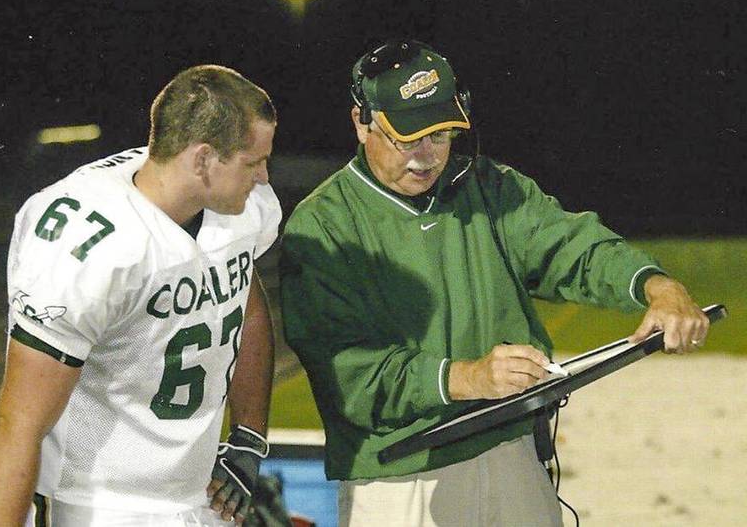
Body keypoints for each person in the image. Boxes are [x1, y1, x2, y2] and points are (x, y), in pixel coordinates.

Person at [279, 40, 710, 526]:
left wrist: (656, 286)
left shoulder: (489, 188)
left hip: (512, 454)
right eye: (407, 137)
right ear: (361, 121)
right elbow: (349, 377)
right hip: (400, 478)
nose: (426, 157)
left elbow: (573, 247)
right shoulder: (322, 226)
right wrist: (467, 377)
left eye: (440, 135)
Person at [0, 65, 282, 527]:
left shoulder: (236, 209)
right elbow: (19, 424)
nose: (263, 177)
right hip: (99, 505)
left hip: (199, 495)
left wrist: (247, 437)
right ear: (202, 160)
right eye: (251, 161)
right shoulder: (87, 246)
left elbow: (246, 307)